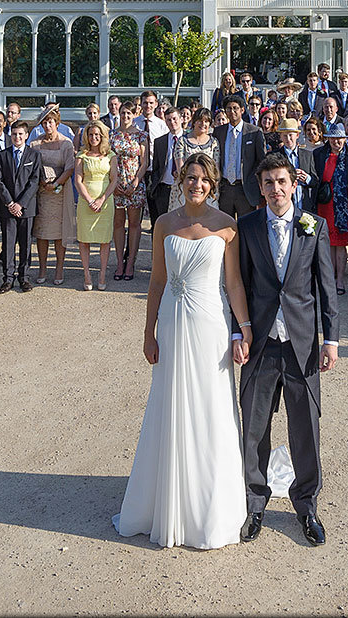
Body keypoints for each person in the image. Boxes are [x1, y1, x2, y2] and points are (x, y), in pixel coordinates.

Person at [114, 153, 250, 549]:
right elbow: (156, 281)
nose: (196, 184)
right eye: (190, 177)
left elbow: (235, 284)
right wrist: (148, 332)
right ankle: (166, 500)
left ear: (213, 183)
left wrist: (244, 330)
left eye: (203, 179)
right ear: (180, 181)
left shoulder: (226, 226)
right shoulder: (163, 224)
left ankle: (211, 504)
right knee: (169, 405)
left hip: (210, 326)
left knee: (210, 409)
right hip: (173, 325)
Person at [233, 154, 339, 546]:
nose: (275, 190)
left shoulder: (315, 226)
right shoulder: (246, 226)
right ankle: (254, 503)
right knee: (254, 429)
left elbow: (326, 289)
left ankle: (307, 505)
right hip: (260, 343)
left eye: (282, 182)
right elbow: (238, 287)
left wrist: (331, 339)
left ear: (293, 183)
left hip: (302, 344)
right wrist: (236, 334)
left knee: (305, 428)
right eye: (268, 183)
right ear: (259, 187)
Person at [0, 121, 41, 293]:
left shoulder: (34, 155)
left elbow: (35, 181)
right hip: (8, 207)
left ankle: (24, 277)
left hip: (26, 208)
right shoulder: (2, 155)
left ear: (26, 135)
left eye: (20, 134)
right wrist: (11, 203)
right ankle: (8, 278)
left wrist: (21, 203)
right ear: (10, 135)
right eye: (14, 134)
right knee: (8, 244)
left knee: (26, 244)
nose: (17, 137)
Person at [313, 123, 348, 295]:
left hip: (344, 206)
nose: (336, 141)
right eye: (333, 138)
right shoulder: (319, 154)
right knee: (328, 243)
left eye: (339, 138)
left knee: (341, 244)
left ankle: (340, 279)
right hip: (325, 204)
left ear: (344, 139)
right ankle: (329, 278)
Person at [74, 121, 118, 291]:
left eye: (97, 135)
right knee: (84, 239)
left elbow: (114, 179)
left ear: (102, 136)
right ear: (87, 136)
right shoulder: (81, 156)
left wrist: (102, 199)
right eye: (91, 134)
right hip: (86, 203)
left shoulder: (111, 155)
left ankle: (101, 275)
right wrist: (89, 200)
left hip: (106, 203)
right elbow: (78, 180)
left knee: (105, 240)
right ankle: (86, 274)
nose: (94, 138)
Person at [32, 117, 76, 285]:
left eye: (51, 122)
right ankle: (42, 268)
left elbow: (70, 168)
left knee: (59, 233)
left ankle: (59, 267)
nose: (48, 126)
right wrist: (43, 183)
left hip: (60, 191)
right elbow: (32, 166)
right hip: (41, 192)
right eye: (45, 123)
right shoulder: (35, 143)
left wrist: (56, 183)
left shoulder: (66, 143)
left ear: (57, 124)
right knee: (42, 233)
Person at [111, 99, 151, 282]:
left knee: (134, 225)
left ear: (135, 115)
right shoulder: (112, 135)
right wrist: (116, 181)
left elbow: (145, 162)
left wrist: (136, 181)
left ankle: (130, 263)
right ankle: (119, 262)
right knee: (118, 224)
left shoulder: (141, 136)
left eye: (129, 113)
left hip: (135, 185)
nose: (125, 116)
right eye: (123, 112)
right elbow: (108, 159)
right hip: (116, 185)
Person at [214, 97, 264, 219]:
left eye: (235, 108)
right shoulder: (218, 132)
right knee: (224, 225)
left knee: (246, 226)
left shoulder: (254, 132)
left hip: (245, 188)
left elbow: (261, 161)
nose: (232, 111)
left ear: (242, 110)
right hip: (225, 187)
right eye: (229, 109)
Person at [146, 104, 185, 225]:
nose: (172, 122)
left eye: (175, 119)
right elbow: (156, 166)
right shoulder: (160, 141)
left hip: (182, 189)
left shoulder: (189, 139)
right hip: (164, 189)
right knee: (162, 224)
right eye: (168, 120)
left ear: (181, 119)